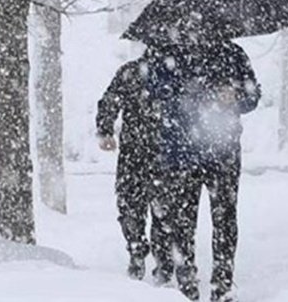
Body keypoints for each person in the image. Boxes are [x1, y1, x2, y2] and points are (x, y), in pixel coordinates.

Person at [146, 40, 260, 302]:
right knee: (183, 223)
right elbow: (153, 90)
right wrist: (184, 91)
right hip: (183, 154)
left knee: (225, 221)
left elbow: (253, 96)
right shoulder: (169, 54)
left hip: (224, 154)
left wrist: (236, 96)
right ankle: (187, 286)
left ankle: (223, 286)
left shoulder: (233, 54)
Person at [96, 52, 172, 283]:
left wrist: (106, 129)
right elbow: (110, 101)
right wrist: (105, 129)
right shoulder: (172, 72)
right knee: (160, 209)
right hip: (161, 152)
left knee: (134, 206)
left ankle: (141, 252)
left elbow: (110, 100)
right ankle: (157, 258)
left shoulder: (132, 72)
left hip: (139, 151)